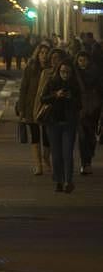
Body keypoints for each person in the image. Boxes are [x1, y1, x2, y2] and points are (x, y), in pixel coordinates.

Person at [39, 58, 82, 193]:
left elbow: (79, 104)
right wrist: (55, 95)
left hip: (69, 123)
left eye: (68, 72)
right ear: (59, 71)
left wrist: (70, 98)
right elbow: (43, 98)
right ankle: (58, 180)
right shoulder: (52, 82)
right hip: (53, 122)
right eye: (63, 71)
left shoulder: (75, 85)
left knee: (68, 153)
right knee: (56, 154)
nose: (65, 74)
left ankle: (68, 181)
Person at [17, 41, 52, 175]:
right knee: (35, 135)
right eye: (41, 53)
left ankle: (46, 159)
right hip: (31, 106)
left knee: (47, 135)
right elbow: (23, 88)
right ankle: (38, 165)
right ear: (37, 54)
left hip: (46, 106)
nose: (43, 55)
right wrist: (21, 109)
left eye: (46, 53)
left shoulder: (51, 69)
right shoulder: (31, 68)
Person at [74, 49, 102, 176]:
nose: (82, 62)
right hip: (80, 108)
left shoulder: (96, 72)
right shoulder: (75, 74)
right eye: (80, 60)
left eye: (84, 60)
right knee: (82, 136)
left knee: (91, 136)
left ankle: (89, 157)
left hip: (94, 108)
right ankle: (85, 163)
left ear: (89, 61)